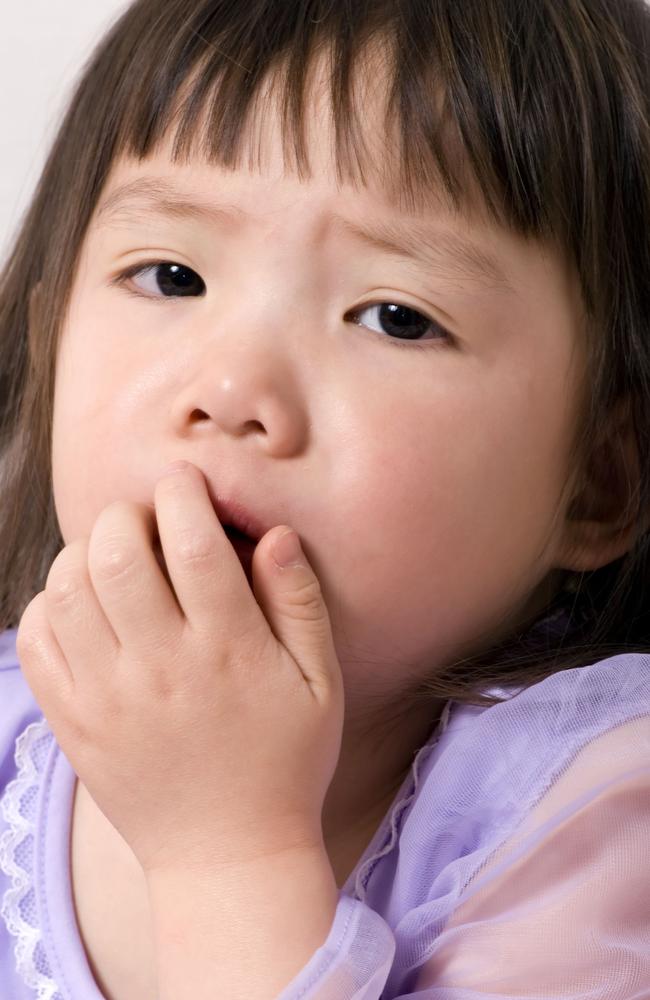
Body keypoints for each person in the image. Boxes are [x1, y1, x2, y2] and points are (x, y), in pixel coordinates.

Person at [0, 0, 649, 996]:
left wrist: (227, 853)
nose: (230, 392)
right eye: (170, 275)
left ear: (601, 480)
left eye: (394, 316)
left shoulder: (591, 818)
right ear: (49, 349)